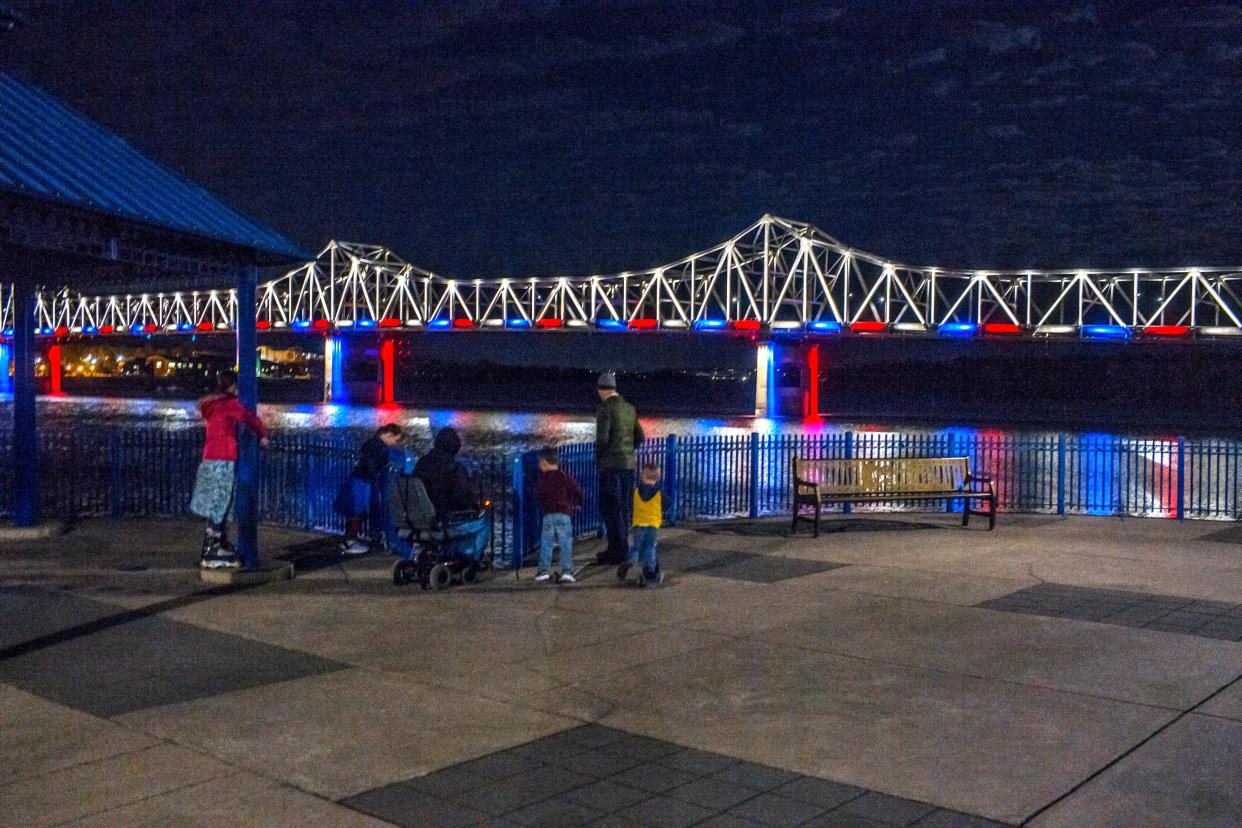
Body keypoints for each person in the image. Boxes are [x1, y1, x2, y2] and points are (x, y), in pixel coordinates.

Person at [189, 369, 269, 569]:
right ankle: (213, 549)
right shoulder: (230, 404)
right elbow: (249, 418)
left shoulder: (212, 405)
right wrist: (263, 434)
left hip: (208, 456)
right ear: (232, 387)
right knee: (222, 501)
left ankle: (213, 543)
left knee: (215, 500)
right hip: (223, 457)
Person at [594, 371, 644, 565]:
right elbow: (640, 436)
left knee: (609, 509)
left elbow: (603, 439)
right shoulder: (629, 408)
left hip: (611, 467)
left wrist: (600, 457)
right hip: (628, 466)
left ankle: (617, 552)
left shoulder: (605, 408)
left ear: (601, 390)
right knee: (623, 508)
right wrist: (627, 451)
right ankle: (621, 549)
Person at [336, 423, 406, 554]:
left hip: (360, 479)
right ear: (389, 435)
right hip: (364, 481)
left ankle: (348, 541)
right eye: (395, 440)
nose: (394, 444)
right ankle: (350, 542)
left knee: (355, 512)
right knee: (358, 512)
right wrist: (376, 476)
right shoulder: (379, 447)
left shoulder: (372, 443)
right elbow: (372, 465)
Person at [534, 447, 583, 583]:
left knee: (546, 543)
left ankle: (543, 571)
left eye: (540, 464)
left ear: (544, 463)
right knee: (565, 542)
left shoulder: (542, 480)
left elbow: (539, 496)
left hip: (549, 515)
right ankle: (567, 571)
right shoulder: (564, 477)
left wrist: (543, 505)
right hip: (564, 514)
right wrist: (577, 503)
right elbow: (577, 490)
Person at [413, 426, 477, 517]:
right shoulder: (455, 468)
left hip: (421, 514)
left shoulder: (421, 463)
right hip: (446, 515)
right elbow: (462, 496)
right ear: (455, 447)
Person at [620, 462, 665, 586]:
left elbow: (629, 505)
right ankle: (650, 570)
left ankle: (631, 560)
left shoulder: (635, 492)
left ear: (642, 476)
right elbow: (667, 503)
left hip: (638, 523)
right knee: (650, 547)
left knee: (637, 546)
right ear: (658, 477)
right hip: (652, 524)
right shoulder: (658, 493)